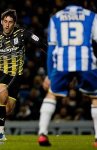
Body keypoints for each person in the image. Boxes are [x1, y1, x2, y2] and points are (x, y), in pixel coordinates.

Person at [0, 9, 47, 141]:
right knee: (2, 96)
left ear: (14, 23)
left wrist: (51, 54)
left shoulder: (22, 34)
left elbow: (39, 42)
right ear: (1, 22)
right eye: (5, 21)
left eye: (10, 22)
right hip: (1, 72)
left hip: (17, 76)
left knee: (8, 109)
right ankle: (0, 133)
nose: (7, 24)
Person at [37, 0, 97, 147]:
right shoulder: (92, 16)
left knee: (51, 94)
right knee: (95, 98)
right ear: (83, 2)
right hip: (85, 60)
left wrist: (49, 75)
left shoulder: (56, 17)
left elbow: (51, 49)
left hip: (62, 61)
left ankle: (42, 134)